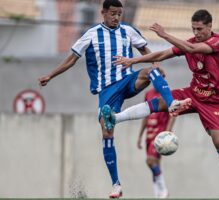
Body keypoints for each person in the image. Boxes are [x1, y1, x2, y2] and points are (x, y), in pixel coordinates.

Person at [38, 0, 190, 198]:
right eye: (113, 13)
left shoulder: (128, 30)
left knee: (150, 71)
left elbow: (144, 50)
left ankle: (172, 104)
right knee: (107, 131)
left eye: (119, 13)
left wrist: (155, 62)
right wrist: (51, 75)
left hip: (127, 80)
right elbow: (72, 58)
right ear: (103, 13)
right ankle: (116, 184)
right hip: (107, 90)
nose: (116, 17)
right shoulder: (91, 34)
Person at [102, 9, 219, 198]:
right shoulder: (189, 43)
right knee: (158, 103)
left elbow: (193, 49)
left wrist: (164, 34)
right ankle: (115, 118)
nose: (196, 33)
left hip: (212, 103)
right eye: (193, 29)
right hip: (192, 94)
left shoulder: (217, 42)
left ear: (210, 26)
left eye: (199, 29)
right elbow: (162, 54)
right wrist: (134, 60)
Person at [138, 88, 176, 198]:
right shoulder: (148, 94)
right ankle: (158, 195)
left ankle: (164, 190)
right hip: (149, 135)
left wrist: (168, 130)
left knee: (150, 161)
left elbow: (173, 112)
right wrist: (140, 136)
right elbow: (145, 115)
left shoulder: (166, 92)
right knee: (156, 165)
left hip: (160, 135)